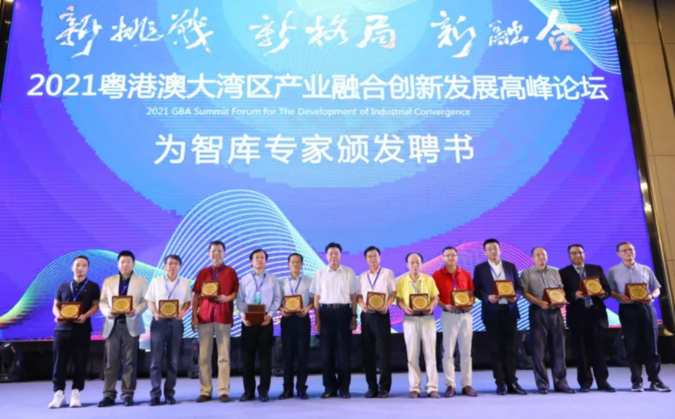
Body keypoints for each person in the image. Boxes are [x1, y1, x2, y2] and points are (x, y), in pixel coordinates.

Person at [608, 242, 670, 392]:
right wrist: (619, 296)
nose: (628, 252)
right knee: (632, 345)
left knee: (652, 345)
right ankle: (637, 381)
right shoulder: (613, 271)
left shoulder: (645, 269)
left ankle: (655, 380)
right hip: (627, 310)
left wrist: (651, 296)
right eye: (624, 251)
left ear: (634, 252)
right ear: (618, 254)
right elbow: (610, 291)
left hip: (647, 308)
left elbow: (657, 288)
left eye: (631, 249)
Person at [473, 239, 526, 396]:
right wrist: (487, 297)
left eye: (495, 248)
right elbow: (476, 290)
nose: (493, 251)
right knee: (495, 349)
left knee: (511, 348)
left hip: (509, 311)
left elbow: (519, 287)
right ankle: (501, 383)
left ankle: (512, 382)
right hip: (491, 312)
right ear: (485, 252)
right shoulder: (480, 268)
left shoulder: (510, 266)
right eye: (489, 249)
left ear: (500, 249)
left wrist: (516, 296)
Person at [559, 244, 615, 392]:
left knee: (599, 351)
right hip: (577, 316)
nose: (577, 255)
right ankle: (585, 382)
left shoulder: (596, 269)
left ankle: (603, 382)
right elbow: (561, 293)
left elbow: (607, 289)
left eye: (580, 252)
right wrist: (574, 295)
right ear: (569, 256)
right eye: (574, 253)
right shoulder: (563, 272)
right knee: (581, 352)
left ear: (584, 254)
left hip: (596, 315)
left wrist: (602, 294)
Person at [520, 247, 575, 394]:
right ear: (532, 258)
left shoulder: (554, 272)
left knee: (559, 349)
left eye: (543, 255)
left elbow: (561, 289)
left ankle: (561, 383)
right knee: (539, 350)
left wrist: (562, 300)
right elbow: (524, 292)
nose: (541, 257)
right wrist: (539, 303)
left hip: (556, 312)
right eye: (537, 255)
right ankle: (542, 384)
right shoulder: (527, 273)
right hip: (538, 311)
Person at [49, 255, 101, 409]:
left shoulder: (93, 286)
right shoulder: (63, 286)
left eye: (84, 265)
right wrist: (58, 315)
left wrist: (85, 315)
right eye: (77, 265)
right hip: (62, 329)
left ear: (88, 268)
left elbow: (96, 305)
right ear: (72, 268)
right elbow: (56, 305)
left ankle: (76, 392)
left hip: (82, 329)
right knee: (59, 361)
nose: (80, 268)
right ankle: (58, 393)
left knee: (80, 361)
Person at [98, 250, 149, 407]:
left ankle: (127, 394)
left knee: (130, 362)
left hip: (131, 324)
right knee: (110, 362)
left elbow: (145, 301)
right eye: (122, 262)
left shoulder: (141, 281)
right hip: (112, 325)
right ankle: (108, 394)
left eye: (128, 262)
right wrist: (107, 311)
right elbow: (102, 301)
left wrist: (137, 310)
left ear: (133, 264)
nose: (125, 265)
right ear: (117, 264)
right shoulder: (109, 281)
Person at [192, 240, 239, 403]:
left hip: (223, 316)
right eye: (213, 251)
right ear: (208, 253)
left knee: (223, 356)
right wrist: (194, 316)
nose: (216, 254)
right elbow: (197, 295)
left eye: (219, 251)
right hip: (204, 317)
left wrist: (227, 298)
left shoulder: (231, 272)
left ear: (224, 253)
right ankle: (205, 390)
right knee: (203, 357)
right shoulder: (203, 272)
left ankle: (223, 390)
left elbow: (236, 292)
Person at [311, 242, 359, 399]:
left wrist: (354, 316)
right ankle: (329, 387)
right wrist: (317, 319)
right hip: (326, 314)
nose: (333, 256)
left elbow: (353, 296)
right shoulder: (320, 273)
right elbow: (316, 297)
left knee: (344, 354)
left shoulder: (348, 272)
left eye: (336, 253)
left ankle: (344, 388)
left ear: (340, 255)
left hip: (344, 313)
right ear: (326, 255)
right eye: (330, 253)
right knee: (326, 354)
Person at [145, 255, 192, 405]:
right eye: (170, 263)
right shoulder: (156, 281)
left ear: (180, 266)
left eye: (176, 264)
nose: (172, 266)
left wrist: (182, 312)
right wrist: (155, 313)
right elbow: (150, 300)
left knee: (173, 360)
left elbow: (187, 302)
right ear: (164, 266)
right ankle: (155, 394)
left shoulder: (185, 282)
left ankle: (169, 393)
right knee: (155, 360)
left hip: (176, 323)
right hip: (159, 322)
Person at [236, 249, 281, 402]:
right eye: (256, 258)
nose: (259, 260)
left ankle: (263, 391)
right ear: (251, 261)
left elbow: (277, 299)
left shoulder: (272, 279)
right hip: (248, 322)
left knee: (265, 358)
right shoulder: (245, 279)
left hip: (265, 321)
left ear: (266, 261)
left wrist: (271, 314)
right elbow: (240, 301)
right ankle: (248, 391)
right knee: (247, 358)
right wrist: (242, 315)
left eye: (262, 258)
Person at [432, 246, 477, 398]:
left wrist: (471, 303)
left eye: (453, 255)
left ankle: (466, 384)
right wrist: (444, 305)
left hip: (465, 316)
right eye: (447, 255)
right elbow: (434, 297)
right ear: (442, 258)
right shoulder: (436, 275)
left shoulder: (465, 273)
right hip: (449, 315)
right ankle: (450, 384)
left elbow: (471, 293)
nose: (451, 257)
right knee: (448, 352)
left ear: (457, 257)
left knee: (466, 352)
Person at [396, 253, 440, 399]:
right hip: (410, 320)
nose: (415, 265)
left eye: (418, 262)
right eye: (412, 262)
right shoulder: (402, 281)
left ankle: (432, 387)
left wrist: (432, 306)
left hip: (427, 319)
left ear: (422, 264)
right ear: (407, 264)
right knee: (412, 355)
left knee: (430, 354)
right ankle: (414, 387)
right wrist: (404, 307)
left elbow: (435, 297)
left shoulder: (429, 279)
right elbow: (399, 300)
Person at [357, 246, 396, 398]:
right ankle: (372, 387)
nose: (372, 259)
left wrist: (387, 305)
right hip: (367, 316)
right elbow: (359, 296)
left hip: (382, 315)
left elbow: (393, 293)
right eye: (369, 256)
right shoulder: (362, 276)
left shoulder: (387, 273)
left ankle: (384, 387)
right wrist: (362, 305)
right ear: (366, 259)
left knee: (384, 351)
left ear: (380, 257)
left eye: (375, 256)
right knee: (368, 352)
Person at [278, 253, 313, 400]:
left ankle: (301, 388)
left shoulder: (309, 280)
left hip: (302, 319)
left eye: (298, 262)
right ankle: (287, 389)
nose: (295, 264)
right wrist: (281, 309)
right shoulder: (281, 282)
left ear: (302, 264)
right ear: (288, 264)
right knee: (288, 356)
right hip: (287, 320)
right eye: (292, 262)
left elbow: (313, 300)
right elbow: (277, 301)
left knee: (302, 355)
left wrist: (307, 309)